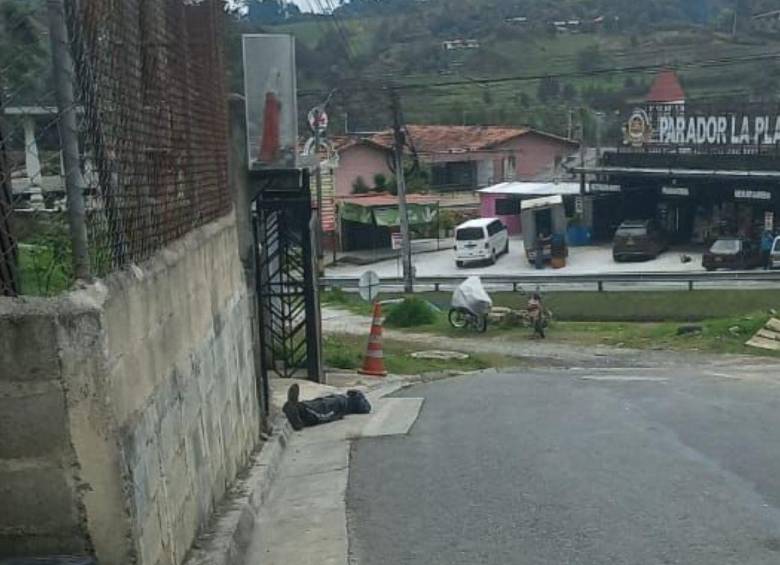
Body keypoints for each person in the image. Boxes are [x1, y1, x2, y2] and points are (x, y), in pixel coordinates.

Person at [282, 383, 372, 431]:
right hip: (337, 400)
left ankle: (298, 410)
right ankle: (298, 408)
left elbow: (366, 409)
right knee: (319, 403)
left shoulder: (358, 400)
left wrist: (358, 394)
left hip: (342, 405)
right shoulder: (352, 398)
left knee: (323, 409)